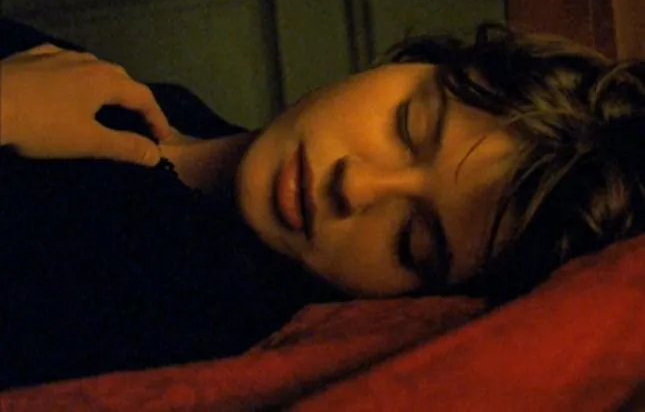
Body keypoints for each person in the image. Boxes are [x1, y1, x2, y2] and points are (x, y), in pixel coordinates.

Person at [1, 19, 644, 388]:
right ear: (414, 63)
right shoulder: (179, 112)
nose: (355, 187)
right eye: (408, 126)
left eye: (412, 244)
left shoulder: (182, 308)